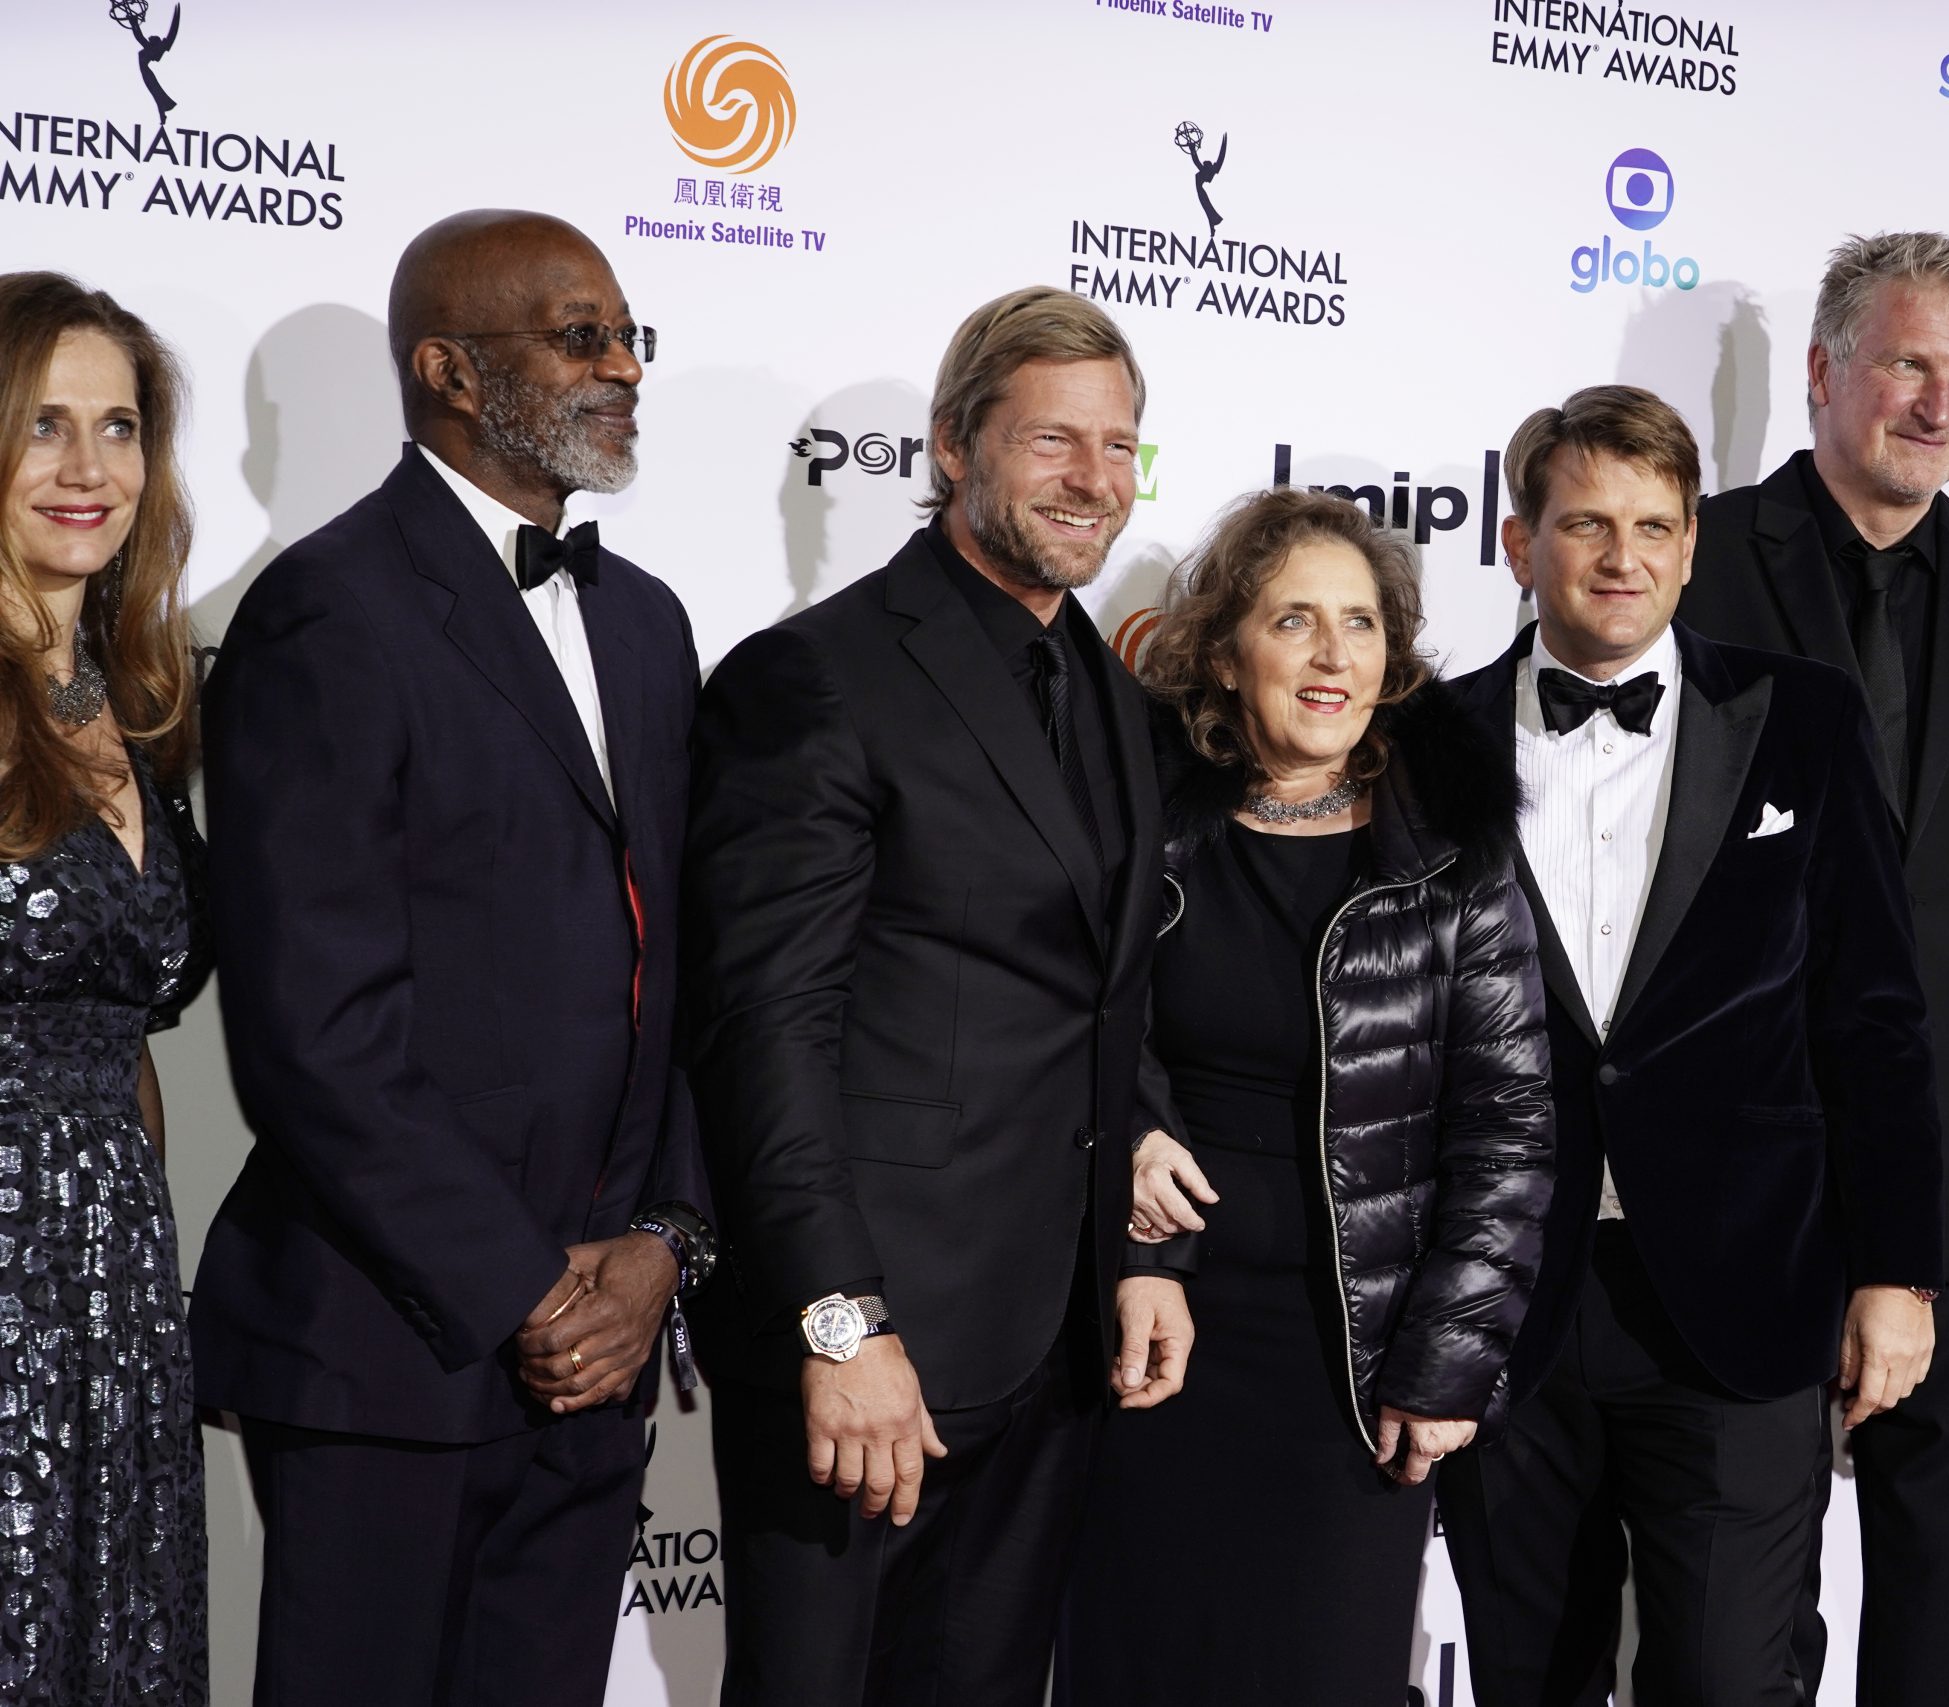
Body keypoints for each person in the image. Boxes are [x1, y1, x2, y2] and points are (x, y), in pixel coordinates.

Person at [189, 211, 713, 1706]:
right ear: (450, 373)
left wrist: (659, 1246)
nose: (621, 367)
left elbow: (678, 973)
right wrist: (528, 1291)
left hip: (605, 1348)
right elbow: (312, 1028)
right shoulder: (328, 607)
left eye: (626, 333)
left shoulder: (647, 620)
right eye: (577, 335)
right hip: (389, 1343)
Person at [685, 286, 1191, 1706]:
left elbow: (1107, 993)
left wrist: (1143, 1253)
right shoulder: (817, 678)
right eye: (1053, 441)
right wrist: (837, 1324)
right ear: (954, 446)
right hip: (869, 1342)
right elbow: (763, 1032)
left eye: (1120, 445)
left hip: (1052, 1343)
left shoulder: (1106, 683)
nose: (1096, 480)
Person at [1439, 384, 1941, 1706]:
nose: (1624, 558)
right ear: (1517, 540)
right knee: (1525, 1677)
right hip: (1508, 1302)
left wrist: (1897, 1270)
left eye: (1656, 526)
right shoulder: (1425, 743)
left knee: (1729, 1679)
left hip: (1741, 1292)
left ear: (1692, 543)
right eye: (1588, 523)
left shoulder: (1804, 718)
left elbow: (1874, 1015)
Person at [1678, 231, 1949, 1706]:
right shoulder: (1694, 557)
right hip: (1745, 1188)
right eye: (1911, 365)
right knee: (1735, 1636)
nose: (1944, 403)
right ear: (1823, 373)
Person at [1064, 488, 1557, 1705]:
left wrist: (1446, 1363)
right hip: (1149, 1330)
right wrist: (1127, 1135)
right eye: (1295, 621)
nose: (1334, 656)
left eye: (1362, 625)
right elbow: (1073, 1032)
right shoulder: (1146, 830)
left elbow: (1509, 1128)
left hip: (1353, 1360)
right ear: (1226, 653)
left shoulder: (1452, 852)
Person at [0, 271, 211, 1703]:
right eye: (44, 426)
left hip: (120, 1288)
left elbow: (126, 1031)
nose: (91, 470)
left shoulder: (134, 702)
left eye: (121, 425)